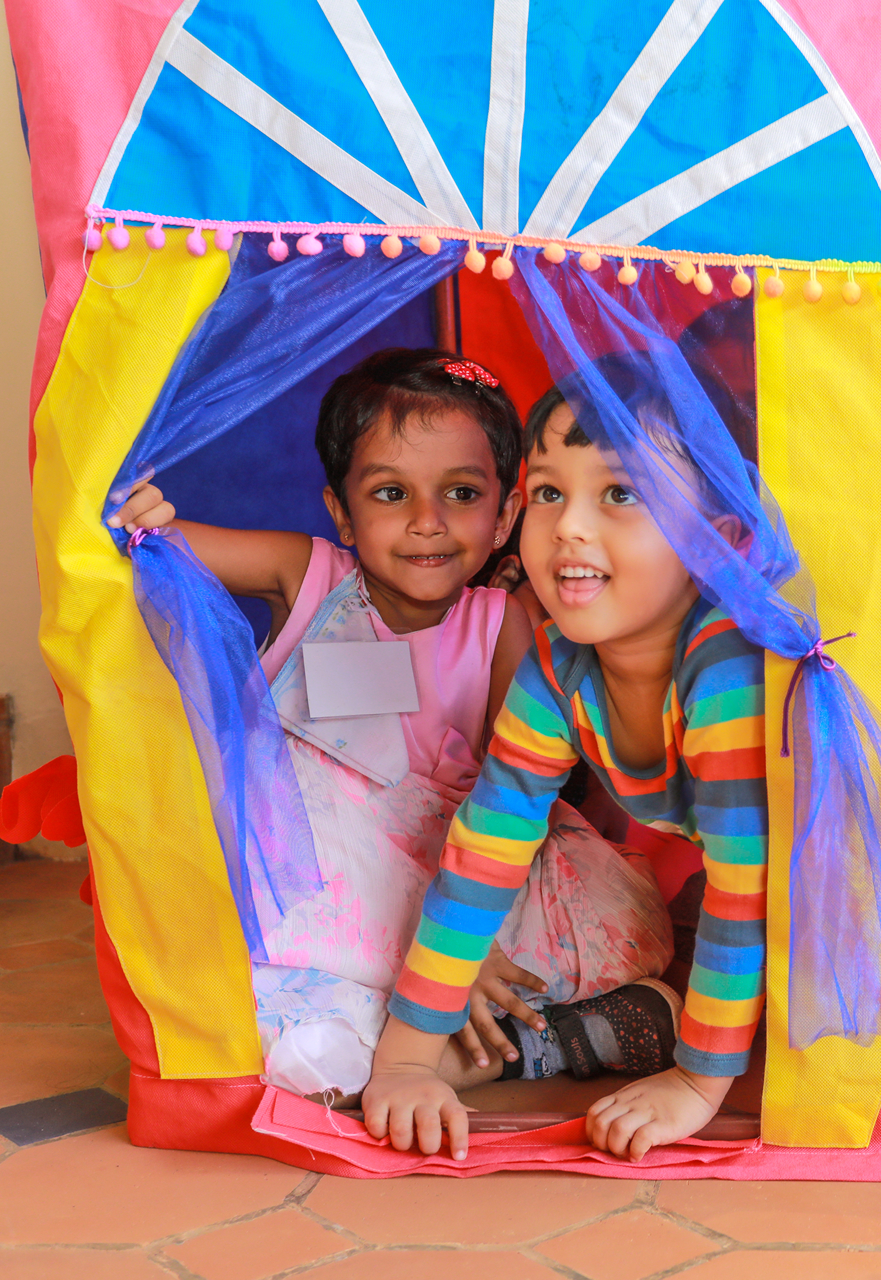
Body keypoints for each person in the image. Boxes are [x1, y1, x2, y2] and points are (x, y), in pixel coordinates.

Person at [107, 348, 675, 1101]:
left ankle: (489, 1032)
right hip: (323, 888)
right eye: (389, 493)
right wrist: (137, 521)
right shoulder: (305, 574)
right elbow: (148, 553)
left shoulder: (502, 624)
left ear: (506, 512)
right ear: (341, 511)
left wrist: (462, 945)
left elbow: (523, 799)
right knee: (280, 1015)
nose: (426, 523)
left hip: (459, 878)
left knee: (621, 923)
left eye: (462, 492)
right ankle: (535, 1045)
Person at [363, 371, 767, 1163]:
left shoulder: (725, 671)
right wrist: (405, 1062)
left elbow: (746, 886)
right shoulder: (557, 667)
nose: (568, 528)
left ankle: (679, 1023)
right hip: (742, 887)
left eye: (620, 494)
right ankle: (644, 1011)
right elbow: (486, 849)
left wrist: (697, 1083)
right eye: (547, 493)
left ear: (716, 535)